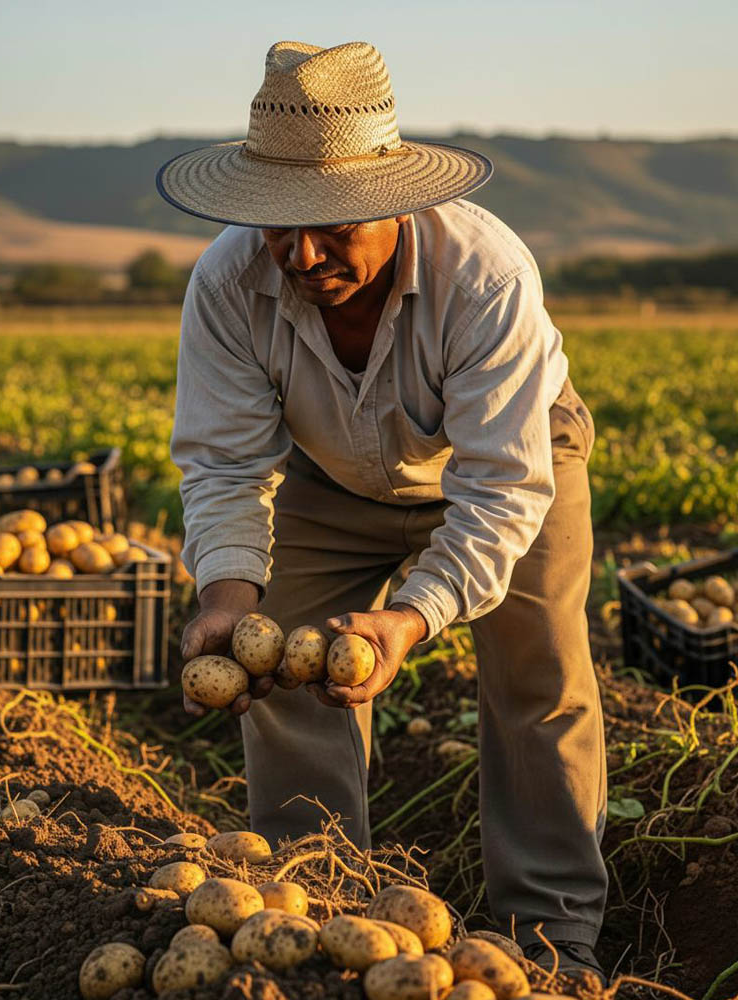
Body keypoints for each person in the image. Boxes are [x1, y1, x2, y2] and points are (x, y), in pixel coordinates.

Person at [157, 39, 608, 982]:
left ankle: (555, 939)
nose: (302, 253)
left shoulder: (484, 275)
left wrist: (412, 616)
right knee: (277, 667)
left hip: (509, 464)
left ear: (395, 200)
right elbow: (227, 465)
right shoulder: (230, 283)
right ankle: (309, 905)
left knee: (539, 679)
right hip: (328, 471)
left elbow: (500, 488)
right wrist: (229, 595)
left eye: (329, 226)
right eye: (281, 227)